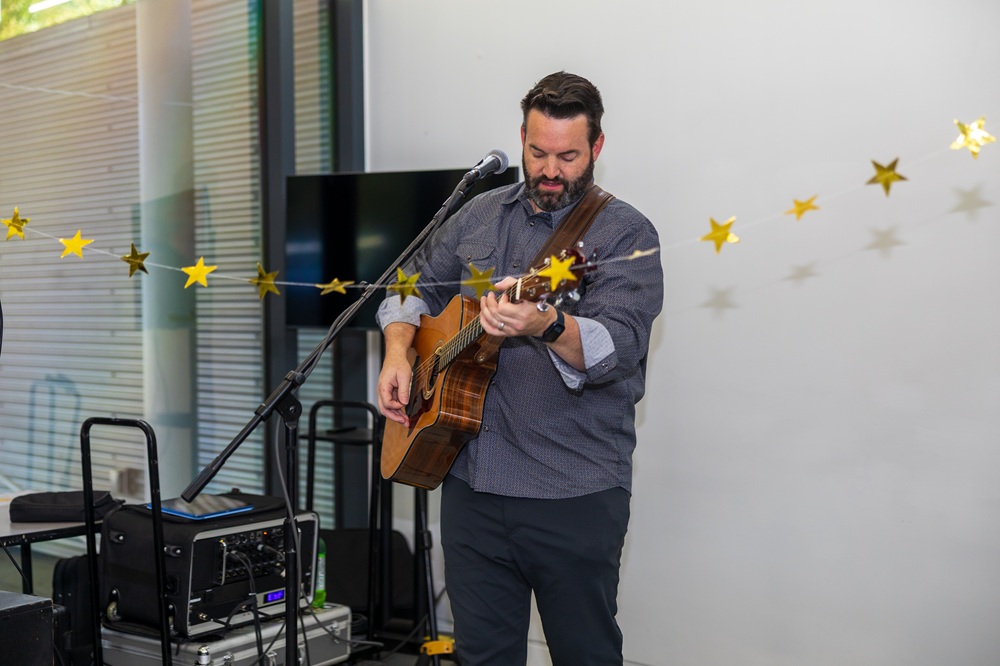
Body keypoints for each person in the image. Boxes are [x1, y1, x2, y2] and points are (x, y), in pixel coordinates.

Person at [376, 71, 663, 666]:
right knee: (480, 656)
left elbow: (620, 347)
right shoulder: (477, 215)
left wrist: (548, 325)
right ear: (522, 140)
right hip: (472, 485)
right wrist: (400, 351)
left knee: (584, 655)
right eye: (537, 153)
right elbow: (409, 285)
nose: (550, 170)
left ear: (597, 148)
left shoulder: (625, 234)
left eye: (568, 156)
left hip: (574, 490)